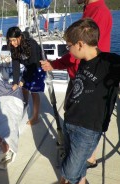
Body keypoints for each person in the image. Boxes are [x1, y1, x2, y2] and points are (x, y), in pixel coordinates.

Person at [45, 18, 120, 184]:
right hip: (71, 120)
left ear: (80, 44)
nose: (68, 51)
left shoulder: (110, 63)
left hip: (88, 129)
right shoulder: (83, 63)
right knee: (77, 164)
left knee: (70, 170)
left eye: (68, 46)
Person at [41, 0, 112, 168]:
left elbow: (80, 51)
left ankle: (81, 161)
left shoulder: (99, 12)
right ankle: (88, 158)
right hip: (81, 76)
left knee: (79, 123)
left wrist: (56, 63)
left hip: (86, 80)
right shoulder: (92, 9)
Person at [6, 27, 46, 125]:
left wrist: (23, 79)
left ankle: (36, 117)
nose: (12, 43)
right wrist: (15, 82)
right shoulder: (13, 47)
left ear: (20, 37)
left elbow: (34, 64)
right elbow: (15, 65)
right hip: (28, 67)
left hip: (38, 66)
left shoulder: (31, 44)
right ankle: (25, 105)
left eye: (14, 40)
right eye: (10, 41)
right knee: (24, 88)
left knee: (33, 91)